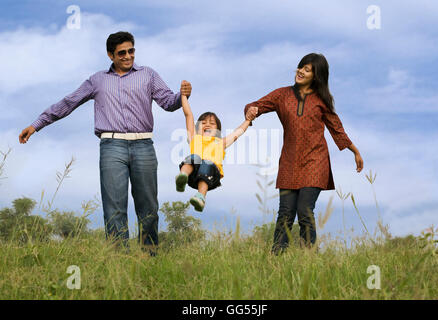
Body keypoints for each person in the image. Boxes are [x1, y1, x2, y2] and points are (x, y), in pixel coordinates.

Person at [18, 31, 192, 256]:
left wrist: (182, 95)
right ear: (110, 55)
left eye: (131, 51)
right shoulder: (97, 80)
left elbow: (168, 102)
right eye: (122, 53)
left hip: (143, 145)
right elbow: (69, 102)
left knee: (148, 206)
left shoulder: (148, 75)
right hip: (112, 146)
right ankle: (119, 261)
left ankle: (149, 258)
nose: (128, 56)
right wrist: (36, 124)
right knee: (114, 209)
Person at [244, 53, 364, 254]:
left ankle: (309, 258)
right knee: (285, 213)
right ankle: (277, 259)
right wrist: (251, 110)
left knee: (305, 210)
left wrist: (355, 151)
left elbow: (337, 129)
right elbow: (257, 104)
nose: (301, 71)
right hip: (289, 162)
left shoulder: (321, 101)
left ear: (316, 76)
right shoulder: (282, 95)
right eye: (301, 67)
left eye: (307, 70)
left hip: (315, 161)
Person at [175, 83, 258, 212]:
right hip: (193, 176)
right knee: (194, 157)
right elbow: (188, 115)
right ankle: (182, 178)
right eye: (203, 123)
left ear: (218, 130)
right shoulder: (194, 137)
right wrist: (184, 96)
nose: (207, 125)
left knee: (207, 163)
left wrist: (248, 120)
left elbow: (238, 132)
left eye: (212, 123)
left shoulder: (220, 142)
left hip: (211, 177)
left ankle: (200, 197)